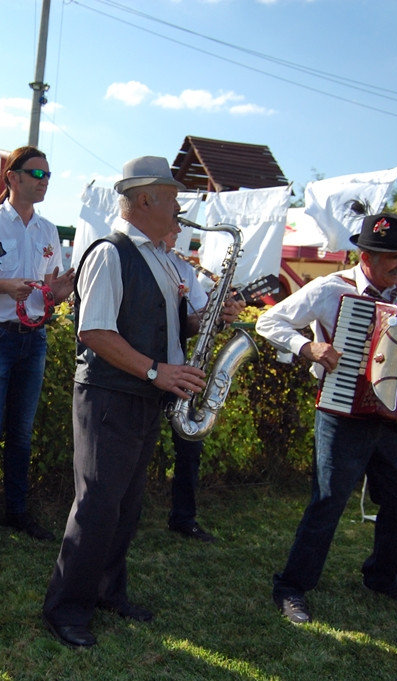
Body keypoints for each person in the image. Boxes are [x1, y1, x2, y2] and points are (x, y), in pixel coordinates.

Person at [41, 156, 241, 647]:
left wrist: (203, 320)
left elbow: (159, 323)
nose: (180, 208)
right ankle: (66, 609)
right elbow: (94, 330)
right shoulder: (111, 251)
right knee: (98, 505)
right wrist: (157, 370)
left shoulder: (161, 256)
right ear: (146, 197)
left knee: (126, 505)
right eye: (173, 198)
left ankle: (107, 591)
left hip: (142, 394)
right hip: (111, 394)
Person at [255, 212, 397, 625]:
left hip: (390, 417)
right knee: (328, 500)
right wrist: (307, 348)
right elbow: (268, 320)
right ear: (365, 256)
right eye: (391, 256)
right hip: (341, 412)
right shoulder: (330, 288)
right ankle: (291, 587)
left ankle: (383, 577)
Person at [0, 146, 75, 554]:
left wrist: (60, 291)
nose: (44, 181)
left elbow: (48, 292)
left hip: (33, 337)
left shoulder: (47, 230)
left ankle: (15, 512)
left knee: (21, 433)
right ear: (12, 178)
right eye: (37, 174)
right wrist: (4, 286)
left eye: (48, 175)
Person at [163, 230, 218, 542]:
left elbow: (194, 321)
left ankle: (184, 517)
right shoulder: (128, 257)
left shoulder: (184, 267)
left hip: (179, 366)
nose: (179, 230)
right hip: (141, 368)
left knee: (189, 443)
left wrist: (215, 317)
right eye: (175, 220)